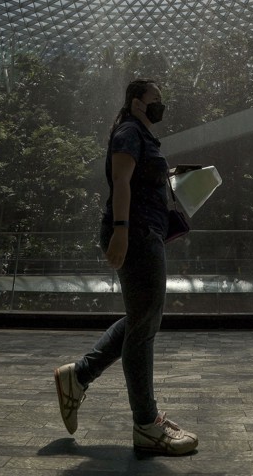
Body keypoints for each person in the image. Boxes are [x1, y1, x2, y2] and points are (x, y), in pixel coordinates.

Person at [54, 79, 198, 456]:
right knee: (144, 325)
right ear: (137, 103)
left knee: (141, 318)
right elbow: (120, 180)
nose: (160, 105)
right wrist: (120, 231)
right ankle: (147, 424)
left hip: (145, 230)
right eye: (156, 100)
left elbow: (140, 180)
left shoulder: (142, 136)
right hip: (133, 232)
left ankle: (79, 375)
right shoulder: (129, 131)